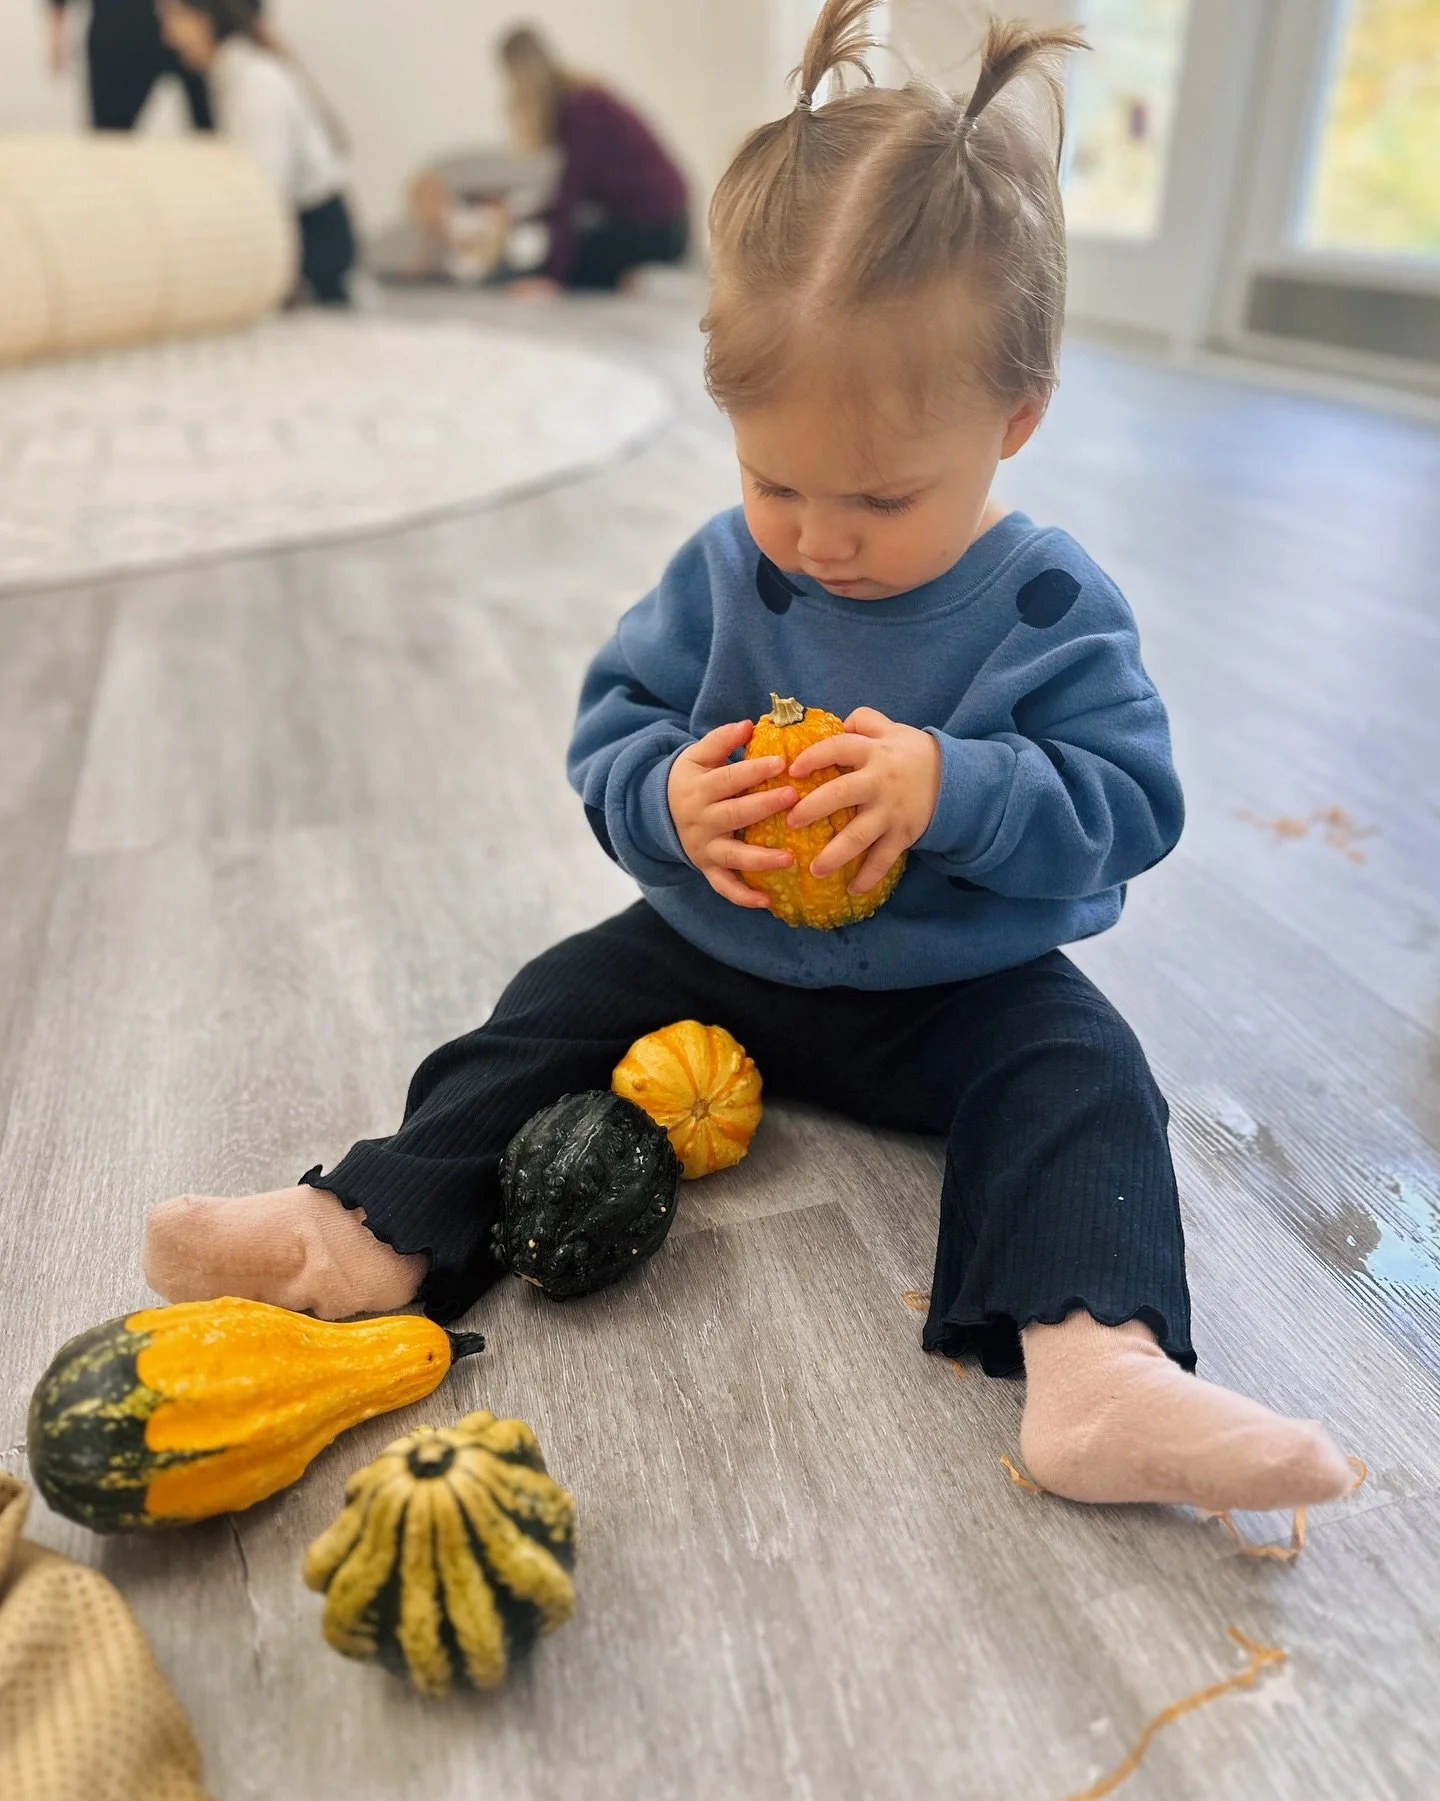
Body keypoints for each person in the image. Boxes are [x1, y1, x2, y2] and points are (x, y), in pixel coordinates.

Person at [143, 1, 1357, 1518]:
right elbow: (614, 725)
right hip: (713, 955)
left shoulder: (1050, 606)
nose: (818, 537)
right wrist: (668, 797)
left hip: (952, 986)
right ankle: (364, 1230)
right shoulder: (726, 570)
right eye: (775, 479)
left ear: (1017, 419)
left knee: (1088, 1075)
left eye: (880, 497)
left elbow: (1129, 809)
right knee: (546, 1005)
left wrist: (953, 788)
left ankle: (1096, 1367)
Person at [408, 25, 689, 296]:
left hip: (660, 229)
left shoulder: (580, 109)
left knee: (570, 261)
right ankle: (631, 279)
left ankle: (646, 281)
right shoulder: (580, 102)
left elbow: (571, 195)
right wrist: (523, 216)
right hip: (657, 224)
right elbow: (568, 199)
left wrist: (552, 279)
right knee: (562, 256)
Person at [158, 0, 356, 305]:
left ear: (205, 19)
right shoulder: (231, 76)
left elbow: (263, 191)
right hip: (294, 231)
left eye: (173, 18)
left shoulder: (255, 82)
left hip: (313, 242)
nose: (167, 36)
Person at [47, 0, 214, 132]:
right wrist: (56, 36)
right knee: (109, 134)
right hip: (113, 39)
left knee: (205, 128)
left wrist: (205, 27)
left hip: (175, 31)